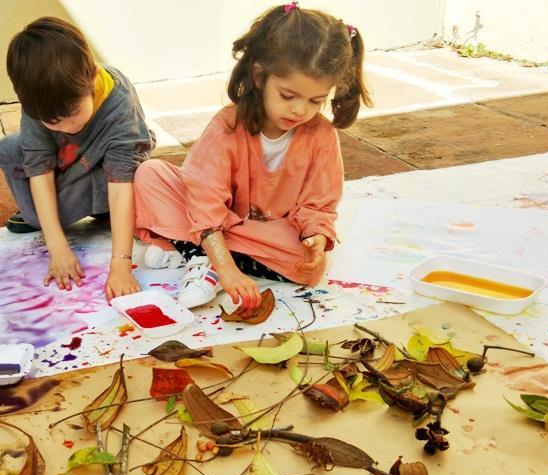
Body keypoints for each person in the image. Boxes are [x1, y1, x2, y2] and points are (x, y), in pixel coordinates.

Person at [133, 1, 371, 314]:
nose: (300, 110)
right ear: (260, 77)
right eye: (288, 96)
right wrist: (229, 270)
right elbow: (203, 201)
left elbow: (318, 202)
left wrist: (315, 232)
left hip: (267, 229)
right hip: (212, 221)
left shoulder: (322, 138)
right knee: (150, 174)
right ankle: (211, 261)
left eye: (316, 101)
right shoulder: (227, 126)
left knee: (310, 266)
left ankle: (194, 253)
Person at [0, 17, 156, 301]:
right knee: (6, 151)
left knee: (140, 178)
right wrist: (57, 247)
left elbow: (121, 183)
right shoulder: (39, 97)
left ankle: (99, 206)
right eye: (53, 122)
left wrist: (120, 265)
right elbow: (39, 169)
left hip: (108, 172)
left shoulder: (117, 103)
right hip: (71, 165)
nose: (67, 127)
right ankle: (67, 206)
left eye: (73, 115)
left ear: (92, 78)